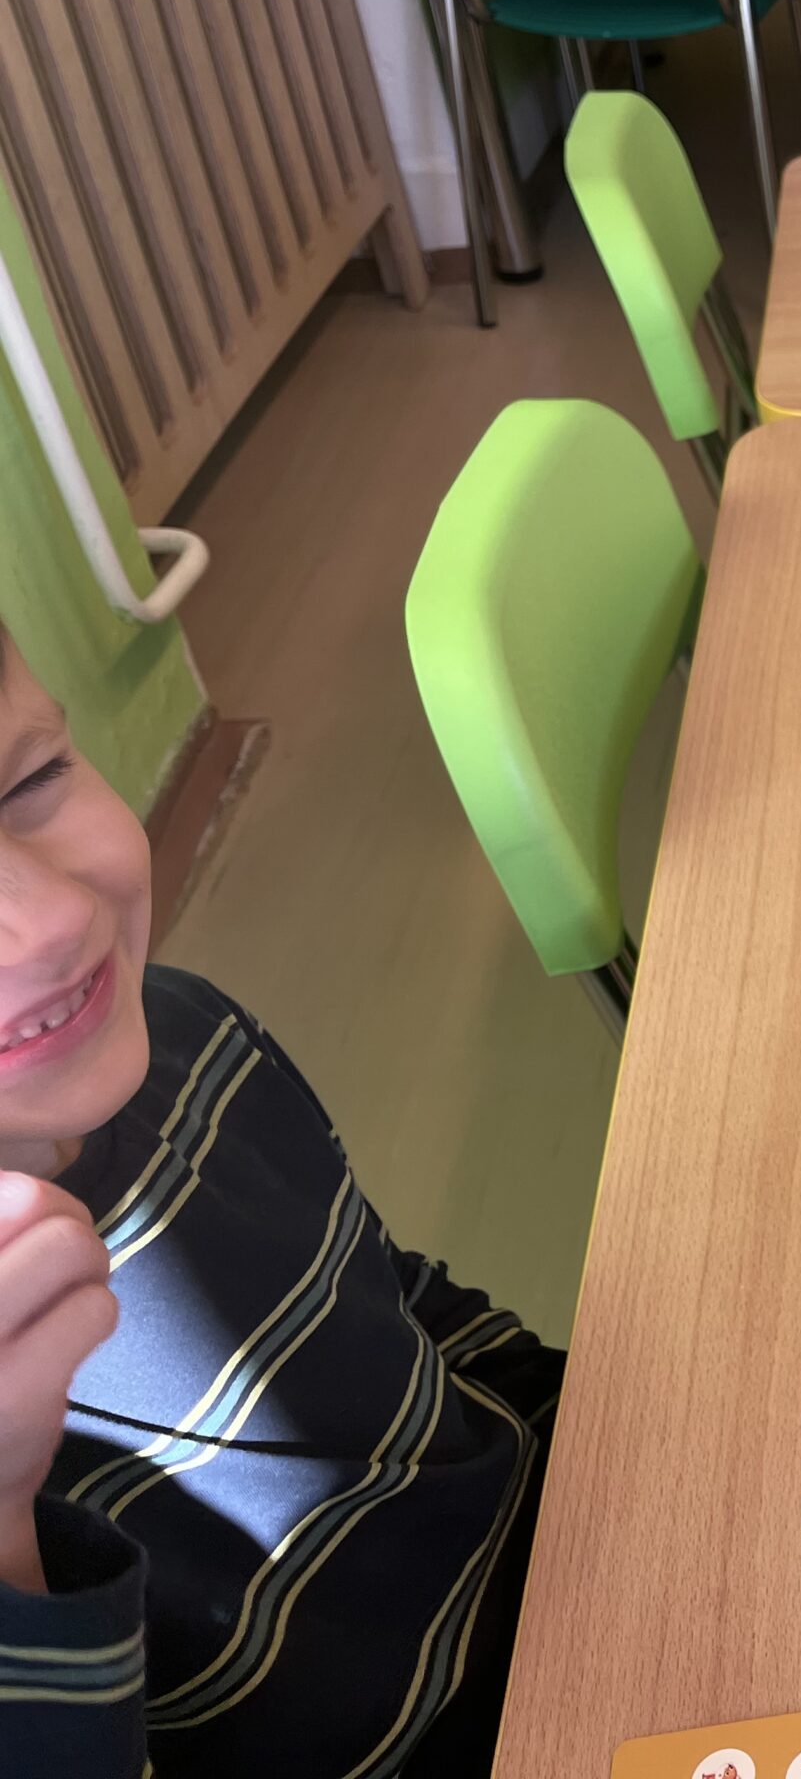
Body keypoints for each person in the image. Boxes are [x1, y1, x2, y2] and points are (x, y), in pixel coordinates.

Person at [0, 624, 562, 1774]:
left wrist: (617, 1439)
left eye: (29, 779)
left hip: (570, 1577)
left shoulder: (185, 1031)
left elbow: (401, 1310)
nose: (54, 918)